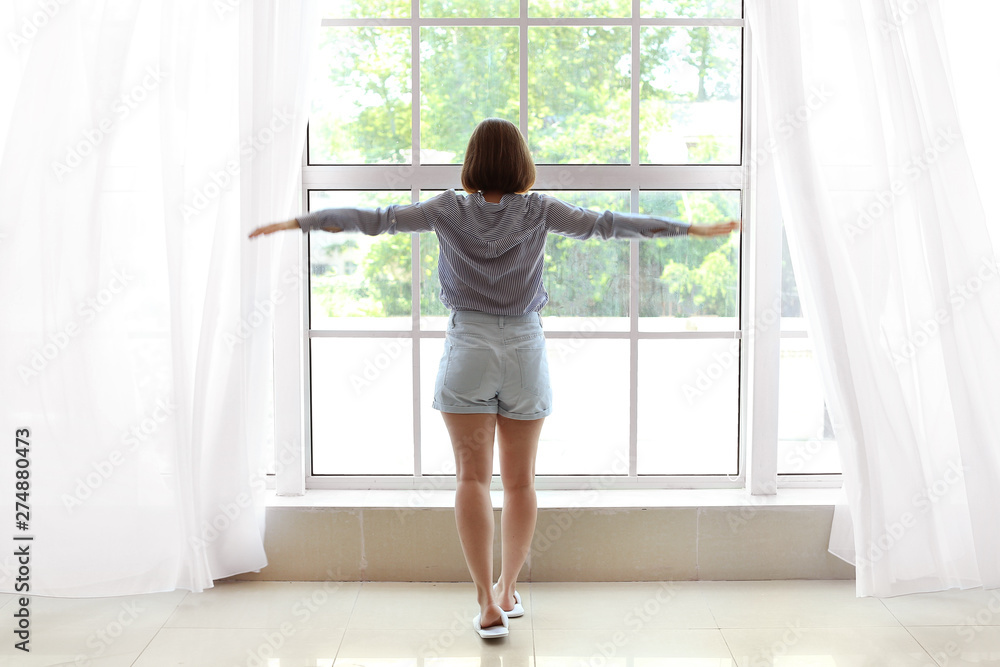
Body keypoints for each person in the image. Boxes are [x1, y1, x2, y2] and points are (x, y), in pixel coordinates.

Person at [249, 117, 739, 639]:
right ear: (522, 164)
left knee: (472, 480)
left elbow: (376, 219)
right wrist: (688, 228)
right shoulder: (539, 209)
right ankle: (508, 590)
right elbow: (607, 223)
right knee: (522, 481)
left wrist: (296, 223)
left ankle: (486, 604)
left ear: (472, 164)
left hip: (469, 350)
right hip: (525, 350)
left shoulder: (445, 208)